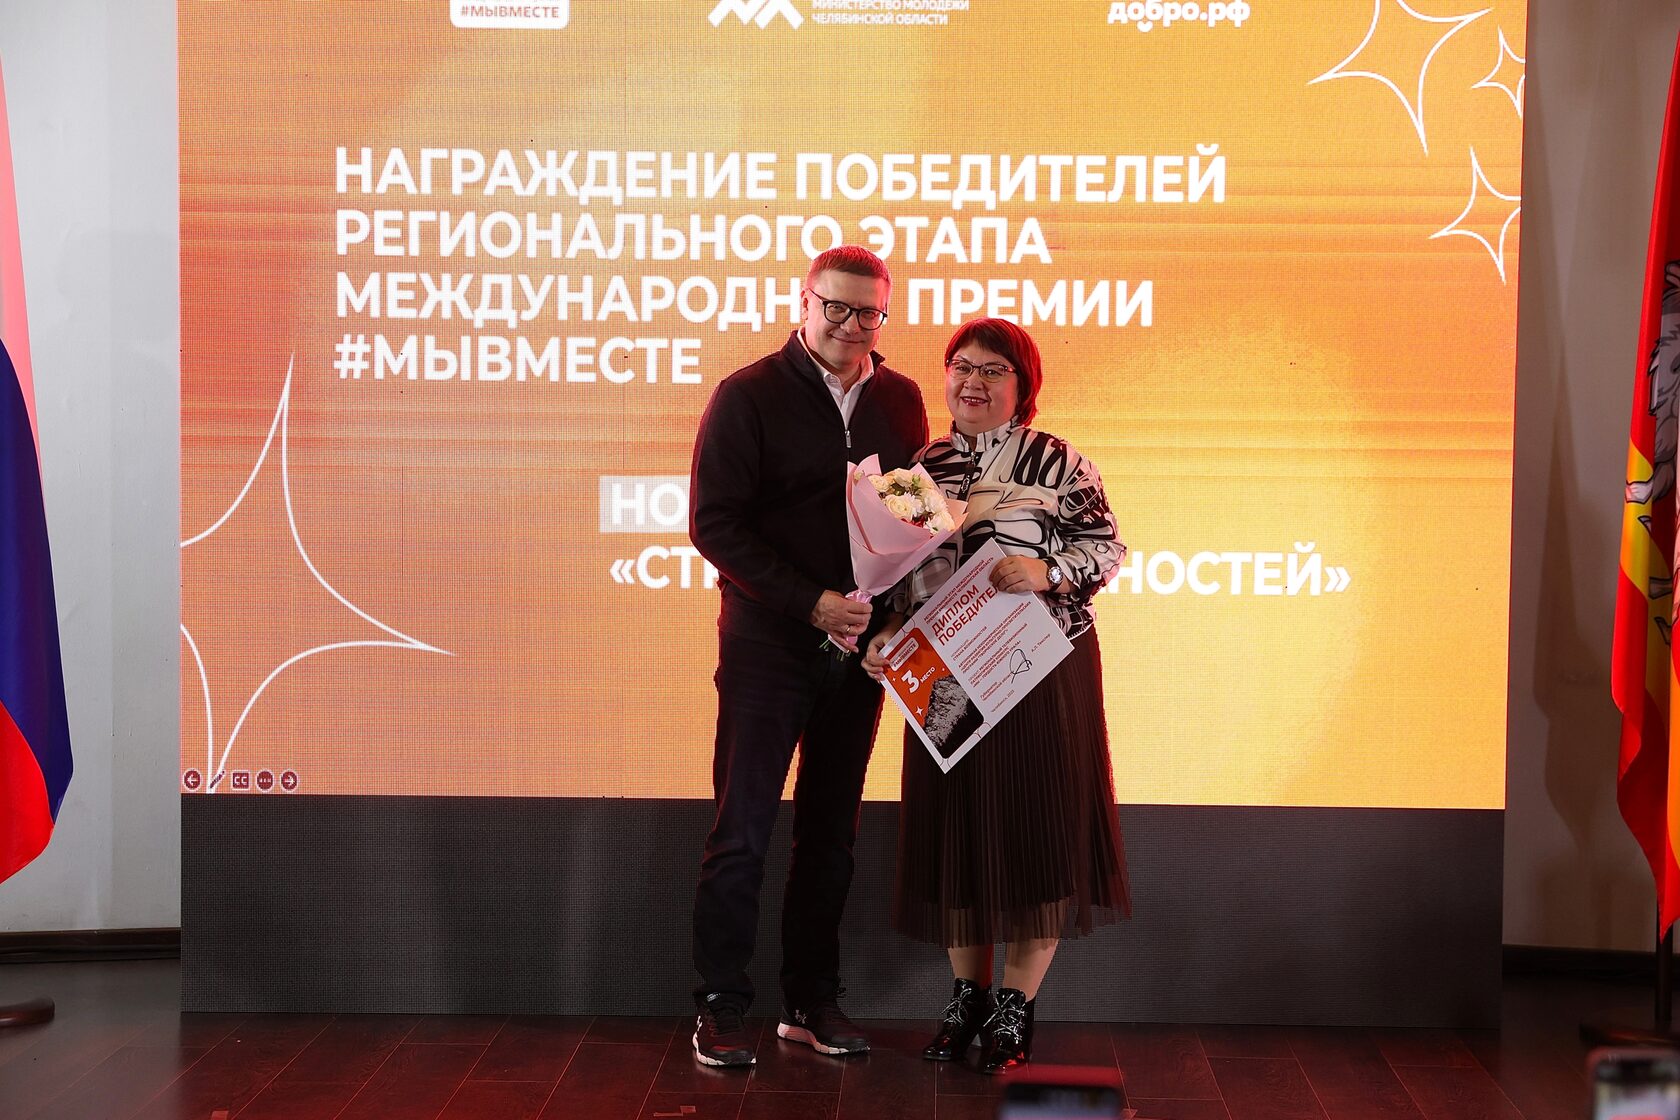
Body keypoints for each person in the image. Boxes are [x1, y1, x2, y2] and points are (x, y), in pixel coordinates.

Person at [863, 317, 1130, 1075]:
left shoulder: (1058, 459)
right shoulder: (919, 470)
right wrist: (885, 635)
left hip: (1038, 667)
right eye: (961, 366)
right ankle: (966, 997)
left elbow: (1107, 547)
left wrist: (1048, 572)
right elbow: (897, 577)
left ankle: (1016, 1007)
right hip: (944, 673)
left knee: (1036, 829)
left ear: (1023, 385)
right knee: (958, 829)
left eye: (992, 370)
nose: (972, 381)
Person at [687, 246, 929, 1067]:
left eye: (869, 313)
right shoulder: (746, 394)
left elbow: (906, 518)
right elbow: (714, 525)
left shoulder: (901, 399)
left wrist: (885, 620)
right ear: (805, 301)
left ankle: (811, 1000)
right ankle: (721, 1005)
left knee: (831, 835)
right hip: (767, 644)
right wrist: (809, 602)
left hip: (856, 654)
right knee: (743, 831)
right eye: (837, 307)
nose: (852, 326)